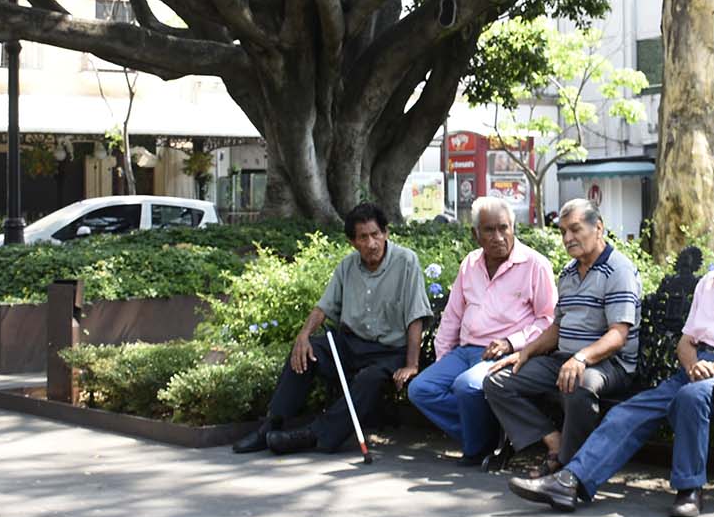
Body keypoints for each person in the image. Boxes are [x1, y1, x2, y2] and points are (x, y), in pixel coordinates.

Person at [509, 205, 714, 517]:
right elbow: (686, 341)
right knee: (629, 410)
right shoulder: (708, 284)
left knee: (690, 397)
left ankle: (689, 490)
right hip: (698, 369)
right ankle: (569, 481)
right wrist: (693, 364)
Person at [231, 203, 432, 457]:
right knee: (307, 351)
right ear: (352, 242)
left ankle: (313, 435)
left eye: (375, 234)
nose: (371, 243)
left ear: (386, 233)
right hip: (350, 343)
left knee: (368, 381)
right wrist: (303, 336)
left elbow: (416, 316)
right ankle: (271, 424)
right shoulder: (347, 266)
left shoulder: (406, 262)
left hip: (388, 351)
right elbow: (323, 308)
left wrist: (412, 365)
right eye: (363, 237)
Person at [484, 199, 640, 472]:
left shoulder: (619, 270)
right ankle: (555, 444)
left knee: (577, 383)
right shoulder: (568, 272)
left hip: (609, 364)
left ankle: (568, 469)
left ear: (598, 228)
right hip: (564, 358)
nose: (568, 238)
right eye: (563, 232)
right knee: (497, 381)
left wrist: (580, 358)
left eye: (576, 229)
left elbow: (618, 336)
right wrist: (526, 351)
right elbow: (558, 327)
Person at [407, 198, 557, 464]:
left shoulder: (535, 264)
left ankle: (477, 450)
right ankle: (489, 434)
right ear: (475, 234)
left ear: (514, 228)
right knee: (421, 389)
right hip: (465, 350)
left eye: (504, 228)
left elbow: (548, 320)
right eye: (489, 230)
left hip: (508, 354)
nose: (498, 237)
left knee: (466, 386)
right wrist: (443, 359)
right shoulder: (470, 263)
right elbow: (452, 316)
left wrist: (511, 342)